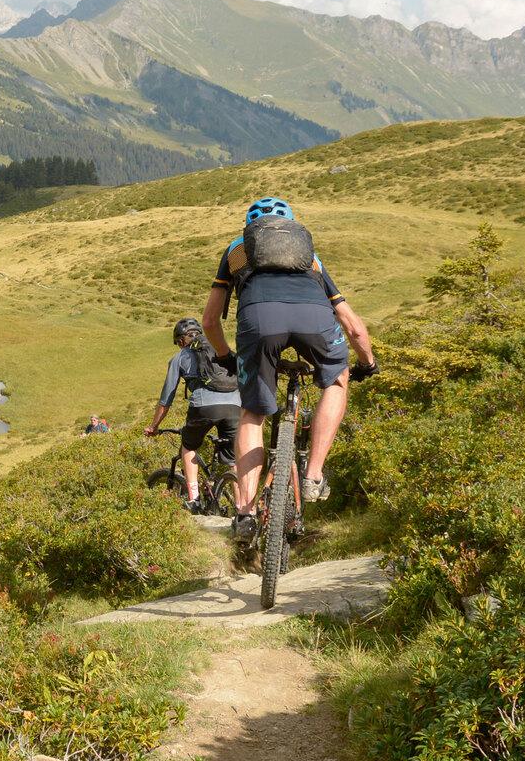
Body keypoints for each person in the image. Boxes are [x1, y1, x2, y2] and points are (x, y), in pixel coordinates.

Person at [201, 197, 377, 541]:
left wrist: (224, 356)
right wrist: (366, 362)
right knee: (337, 379)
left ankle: (246, 514)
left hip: (259, 320)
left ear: (252, 227)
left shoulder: (237, 250)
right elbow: (352, 325)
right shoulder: (310, 257)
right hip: (314, 319)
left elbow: (209, 320)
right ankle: (312, 476)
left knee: (252, 414)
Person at [143, 316, 241, 511]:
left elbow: (165, 400)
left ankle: (194, 498)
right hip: (235, 404)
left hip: (204, 406)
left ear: (181, 341)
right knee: (233, 460)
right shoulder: (219, 349)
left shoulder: (179, 358)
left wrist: (154, 426)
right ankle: (242, 507)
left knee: (188, 446)